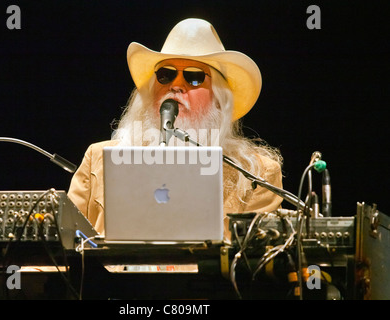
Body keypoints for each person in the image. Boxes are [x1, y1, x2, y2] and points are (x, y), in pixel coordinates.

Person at [68, 18, 283, 241]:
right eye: (166, 74)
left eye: (194, 77)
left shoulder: (257, 175)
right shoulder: (98, 159)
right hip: (113, 277)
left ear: (219, 100)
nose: (176, 85)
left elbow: (254, 264)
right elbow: (65, 246)